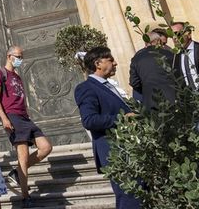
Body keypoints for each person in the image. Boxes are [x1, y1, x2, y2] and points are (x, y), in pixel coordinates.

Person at [74, 46, 141, 208]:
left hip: (129, 149)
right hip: (115, 152)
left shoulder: (110, 86)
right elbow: (89, 120)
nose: (115, 63)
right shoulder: (86, 87)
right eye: (110, 60)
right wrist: (122, 119)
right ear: (98, 63)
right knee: (129, 198)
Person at [0, 46, 52, 208]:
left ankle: (17, 172)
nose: (20, 59)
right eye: (18, 56)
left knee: (45, 147)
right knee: (23, 157)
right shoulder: (0, 73)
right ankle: (26, 197)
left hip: (25, 118)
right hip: (12, 117)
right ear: (9, 56)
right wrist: (4, 119)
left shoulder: (17, 76)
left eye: (21, 57)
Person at [129, 30, 177, 110]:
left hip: (151, 101)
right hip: (173, 99)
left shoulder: (137, 58)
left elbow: (134, 82)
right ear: (158, 41)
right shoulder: (170, 55)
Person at [171, 21, 198, 91]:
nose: (174, 38)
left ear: (188, 34)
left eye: (177, 34)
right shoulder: (175, 57)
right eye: (172, 35)